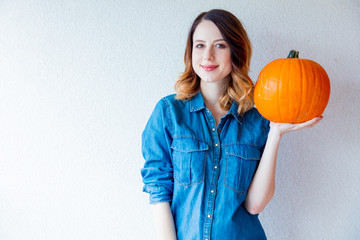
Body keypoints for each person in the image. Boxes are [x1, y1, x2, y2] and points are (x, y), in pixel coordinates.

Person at [140, 9, 322, 240]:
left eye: (220, 45)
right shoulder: (169, 113)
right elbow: (158, 188)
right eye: (200, 45)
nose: (207, 56)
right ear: (190, 52)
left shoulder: (258, 120)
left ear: (236, 52)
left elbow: (255, 205)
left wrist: (275, 133)